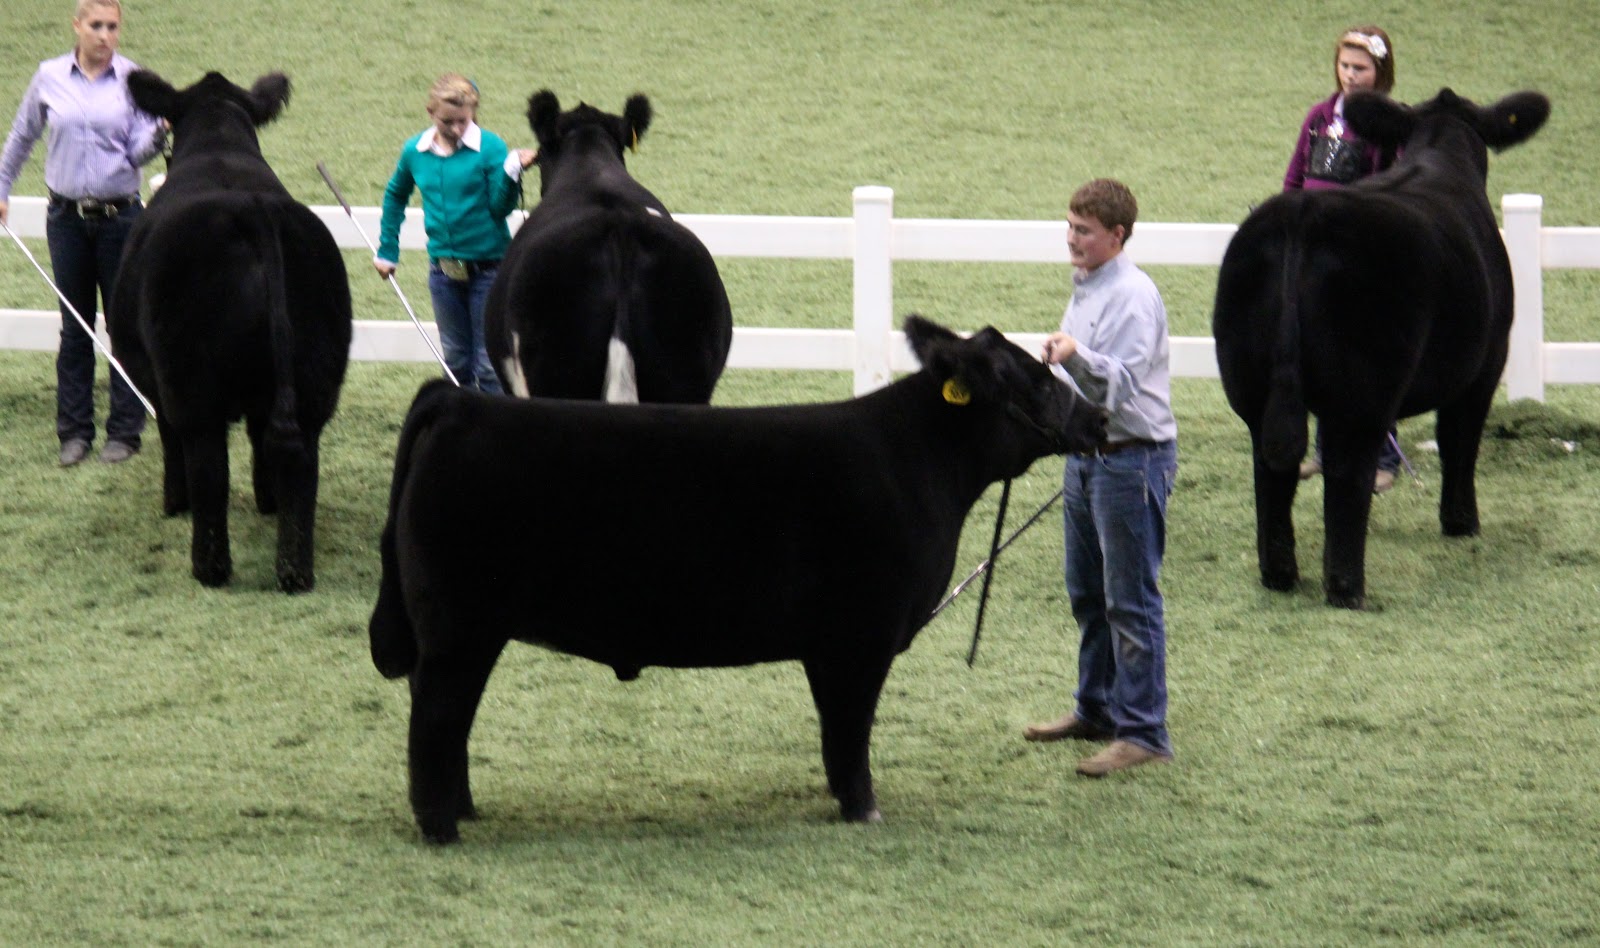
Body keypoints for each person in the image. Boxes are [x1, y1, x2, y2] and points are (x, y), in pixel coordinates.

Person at [1024, 178, 1178, 778]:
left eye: (1084, 231)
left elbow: (1118, 384)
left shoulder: (1134, 297)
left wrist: (1073, 356)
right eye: (1070, 227)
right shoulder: (1090, 287)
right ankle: (1096, 708)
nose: (1072, 239)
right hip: (1090, 458)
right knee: (1088, 594)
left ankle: (1144, 731)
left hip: (1132, 460)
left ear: (1117, 236)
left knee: (1130, 601)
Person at [0, 0, 167, 466]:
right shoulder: (48, 75)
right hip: (66, 219)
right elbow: (22, 135)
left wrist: (158, 134)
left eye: (112, 26)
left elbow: (136, 154)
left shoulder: (136, 83)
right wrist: (1, 186)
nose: (105, 35)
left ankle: (125, 432)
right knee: (74, 325)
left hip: (122, 218)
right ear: (77, 26)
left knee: (123, 325)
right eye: (95, 25)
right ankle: (74, 432)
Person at [1284, 25, 1403, 493]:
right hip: (1315, 248)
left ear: (1380, 72)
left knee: (1367, 357)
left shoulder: (1387, 122)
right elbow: (1296, 175)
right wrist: (1289, 221)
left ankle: (1385, 456)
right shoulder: (1319, 115)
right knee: (1319, 350)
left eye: (1361, 68)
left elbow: (1385, 185)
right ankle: (1324, 449)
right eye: (1345, 66)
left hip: (1359, 250)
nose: (1350, 75)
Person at [375, 74, 535, 393]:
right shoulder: (415, 151)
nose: (457, 129)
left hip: (490, 270)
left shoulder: (490, 147)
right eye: (448, 121)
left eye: (464, 121)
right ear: (430, 112)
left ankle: (498, 432)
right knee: (455, 361)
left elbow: (499, 209)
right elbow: (395, 195)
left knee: (489, 365)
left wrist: (512, 172)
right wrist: (387, 250)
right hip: (443, 271)